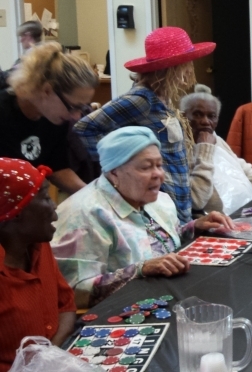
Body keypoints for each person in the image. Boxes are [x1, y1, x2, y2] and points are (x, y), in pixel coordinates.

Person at [51, 127, 233, 308]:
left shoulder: (158, 200)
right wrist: (139, 270)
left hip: (168, 294)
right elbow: (73, 291)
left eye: (159, 165)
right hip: (121, 311)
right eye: (146, 167)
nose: (159, 174)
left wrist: (194, 228)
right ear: (114, 172)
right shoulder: (84, 216)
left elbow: (158, 242)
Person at [73, 26, 215, 225]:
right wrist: (118, 164)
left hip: (176, 206)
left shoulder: (164, 98)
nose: (190, 70)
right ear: (173, 68)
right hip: (155, 206)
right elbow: (84, 128)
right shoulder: (141, 99)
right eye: (186, 64)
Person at [0, 158, 76, 372]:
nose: (54, 206)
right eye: (45, 197)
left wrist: (49, 358)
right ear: (15, 213)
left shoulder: (38, 244)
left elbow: (66, 305)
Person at [0, 41, 96, 195]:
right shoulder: (4, 113)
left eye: (82, 108)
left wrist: (95, 195)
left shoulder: (54, 119)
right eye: (73, 106)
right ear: (47, 90)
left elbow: (57, 167)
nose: (77, 116)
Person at [181, 85, 252, 213]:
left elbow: (238, 165)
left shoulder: (216, 139)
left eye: (211, 116)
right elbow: (197, 200)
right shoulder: (179, 148)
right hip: (220, 216)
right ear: (183, 116)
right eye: (198, 115)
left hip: (247, 205)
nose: (205, 121)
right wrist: (205, 148)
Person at [0, 21, 43, 88]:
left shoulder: (32, 56)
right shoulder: (42, 52)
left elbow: (7, 79)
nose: (20, 40)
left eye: (22, 36)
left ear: (28, 35)